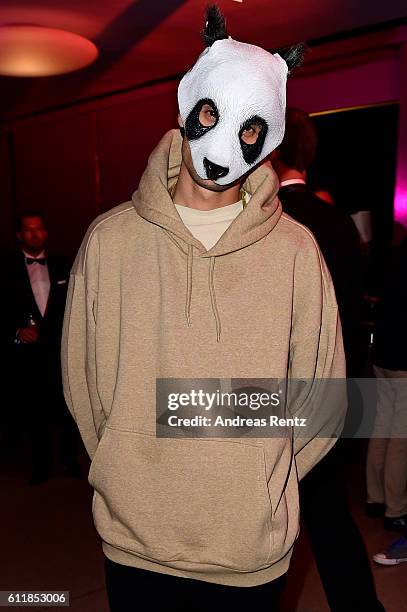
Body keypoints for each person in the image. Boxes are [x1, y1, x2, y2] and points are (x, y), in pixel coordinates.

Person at [61, 7, 346, 611]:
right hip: (135, 542)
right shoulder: (109, 242)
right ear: (189, 105)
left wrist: (262, 481)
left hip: (250, 551)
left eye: (248, 129)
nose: (225, 143)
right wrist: (126, 467)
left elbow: (322, 396)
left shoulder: (296, 252)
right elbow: (83, 386)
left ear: (266, 135)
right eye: (213, 115)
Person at [271, 108, 385, 611]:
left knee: (269, 521)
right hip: (340, 392)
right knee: (328, 510)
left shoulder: (271, 224)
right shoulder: (339, 222)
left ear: (269, 153)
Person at [1, 211, 82, 484]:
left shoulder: (64, 264)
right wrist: (15, 331)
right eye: (28, 230)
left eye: (39, 229)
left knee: (69, 409)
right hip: (27, 356)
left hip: (62, 352)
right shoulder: (7, 269)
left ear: (46, 233)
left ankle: (70, 461)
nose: (34, 234)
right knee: (34, 411)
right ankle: (41, 465)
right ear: (19, 235)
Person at [366, 236, 407, 531]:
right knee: (400, 437)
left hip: (382, 352)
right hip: (404, 357)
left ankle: (374, 498)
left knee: (381, 427)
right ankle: (396, 508)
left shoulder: (395, 252)